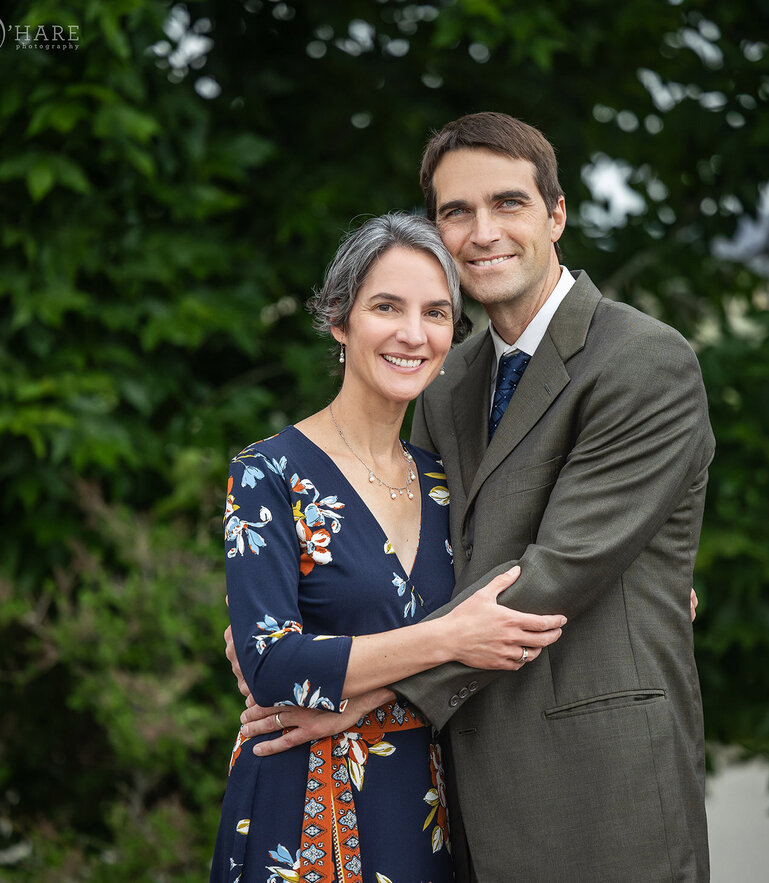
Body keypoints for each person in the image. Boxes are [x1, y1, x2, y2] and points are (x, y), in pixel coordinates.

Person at [235, 112, 714, 881]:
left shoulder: (644, 360)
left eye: (508, 203)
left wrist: (367, 683)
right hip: (457, 790)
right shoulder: (449, 381)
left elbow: (556, 571)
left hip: (600, 786)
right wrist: (289, 632)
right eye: (456, 212)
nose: (482, 231)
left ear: (555, 213)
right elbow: (429, 558)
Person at [210, 212, 567, 883]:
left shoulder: (450, 482)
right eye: (386, 307)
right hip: (299, 804)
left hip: (428, 804)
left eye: (435, 312)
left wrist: (655, 584)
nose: (413, 333)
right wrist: (450, 637)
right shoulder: (266, 472)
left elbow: (534, 584)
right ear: (339, 321)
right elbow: (271, 665)